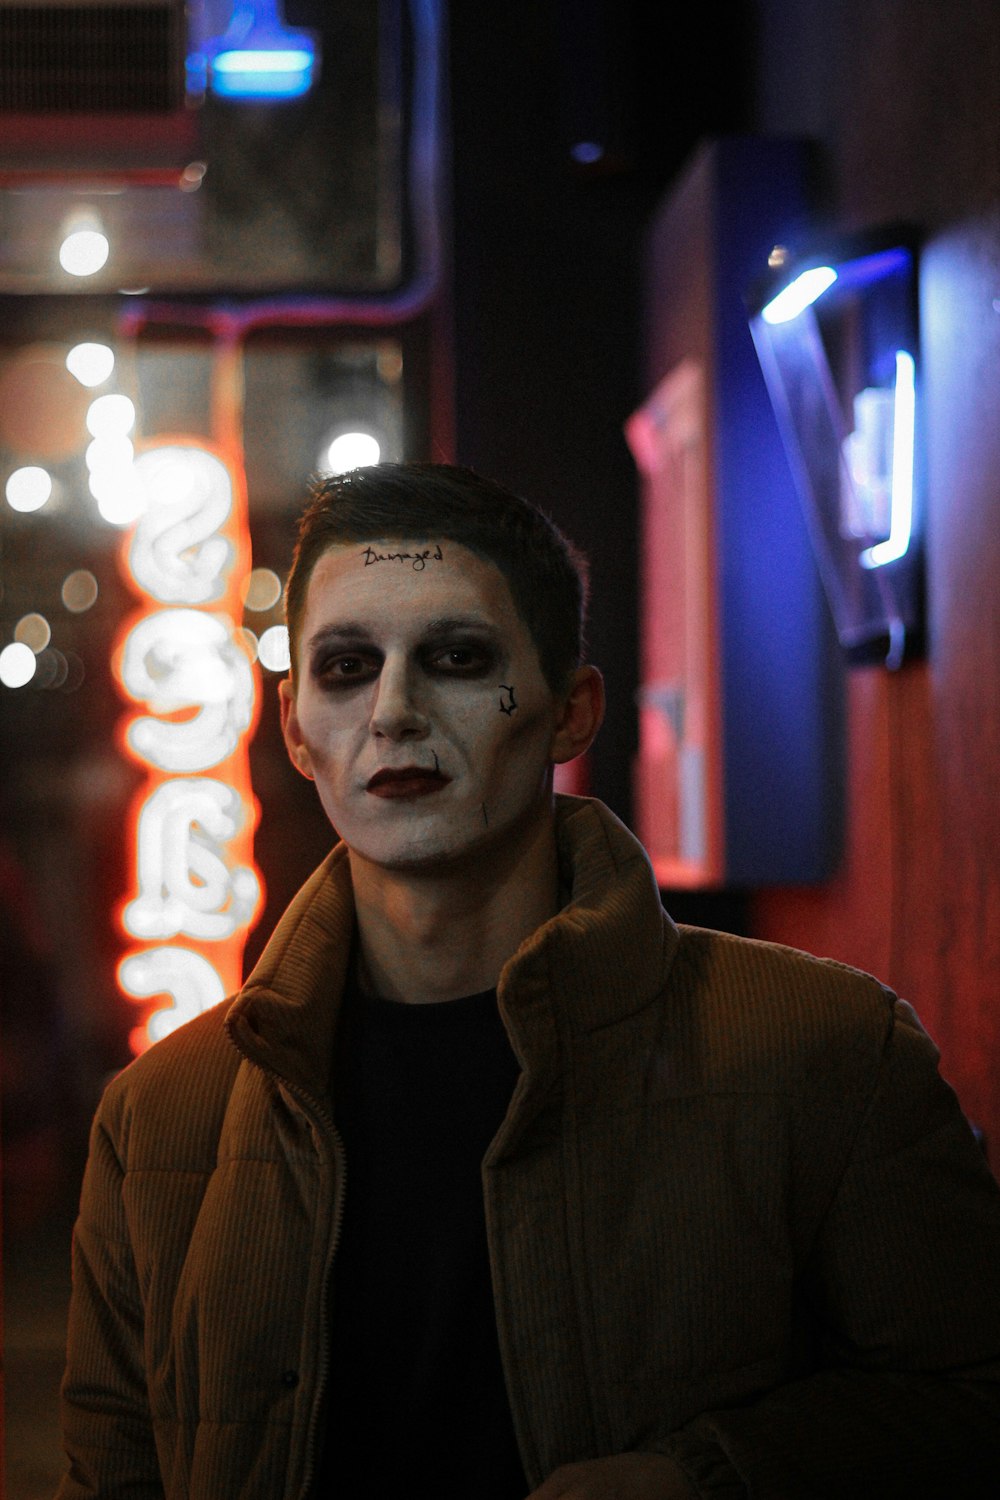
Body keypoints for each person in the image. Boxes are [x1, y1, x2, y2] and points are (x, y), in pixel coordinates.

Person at [57, 462, 1000, 1499]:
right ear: (292, 729)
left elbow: (967, 1396)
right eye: (345, 667)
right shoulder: (162, 1119)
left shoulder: (820, 1049)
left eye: (457, 658)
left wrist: (700, 1477)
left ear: (569, 712)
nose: (395, 711)